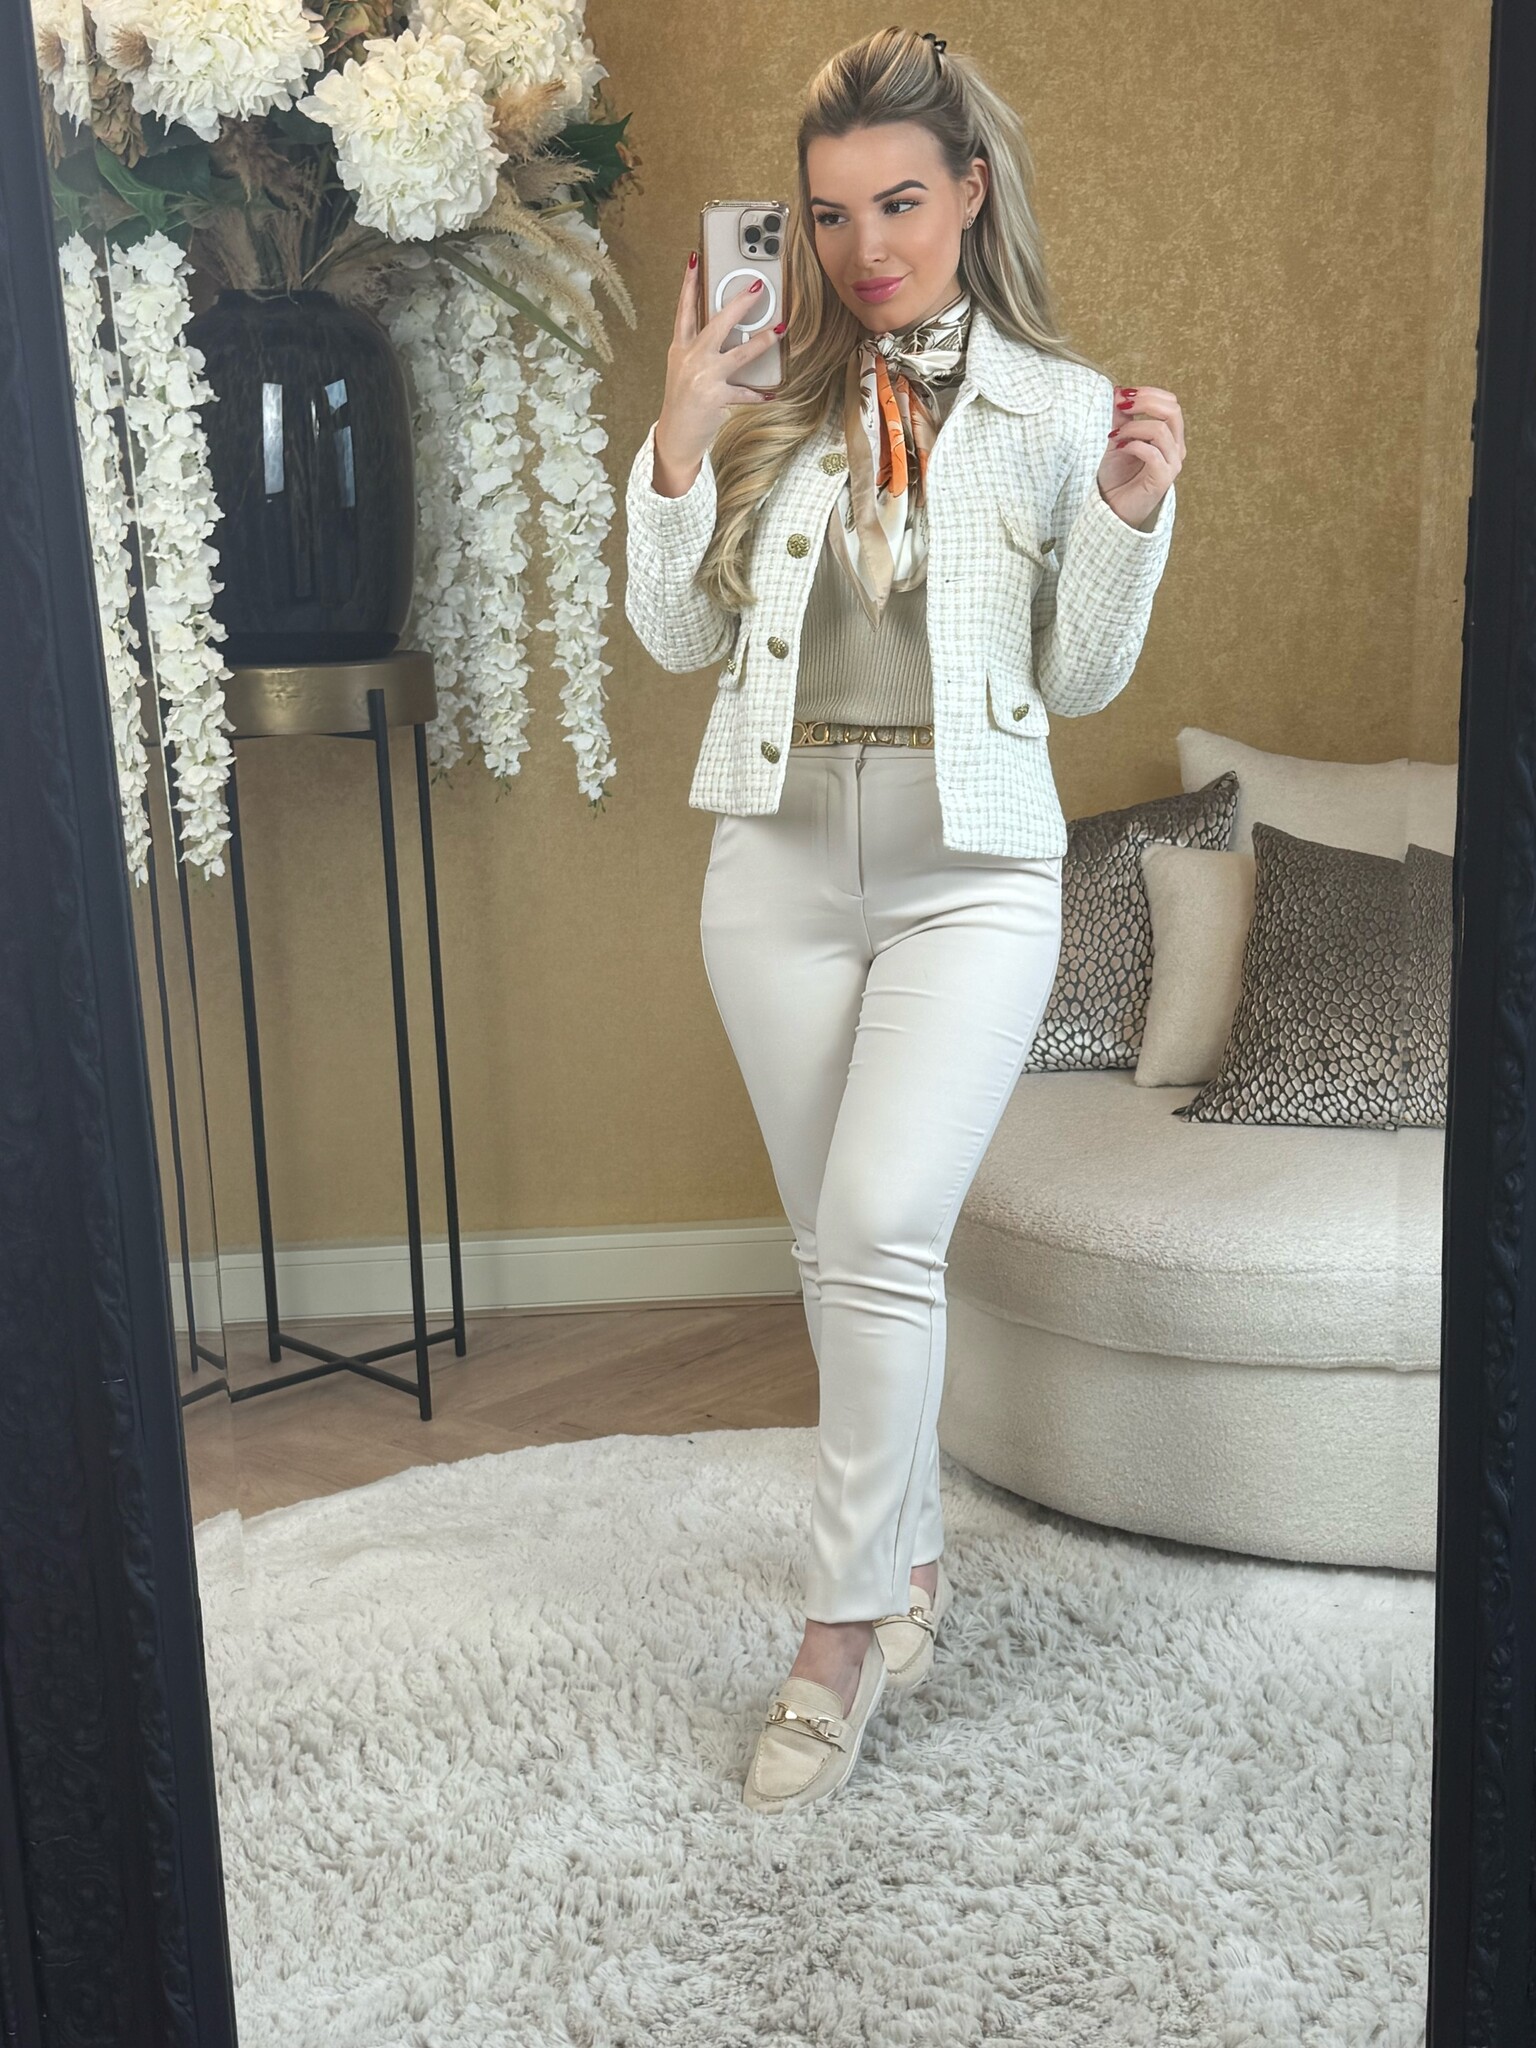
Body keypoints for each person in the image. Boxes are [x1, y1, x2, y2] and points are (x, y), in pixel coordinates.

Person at [623, 26, 1185, 1816]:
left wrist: (1128, 519)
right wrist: (679, 440)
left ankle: (841, 1633)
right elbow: (678, 641)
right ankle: (911, 1556)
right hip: (775, 867)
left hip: (973, 869)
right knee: (838, 1251)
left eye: (901, 204)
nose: (865, 247)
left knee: (876, 1225)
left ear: (972, 195)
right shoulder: (771, 392)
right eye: (829, 213)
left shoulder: (1064, 412)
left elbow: (1081, 678)